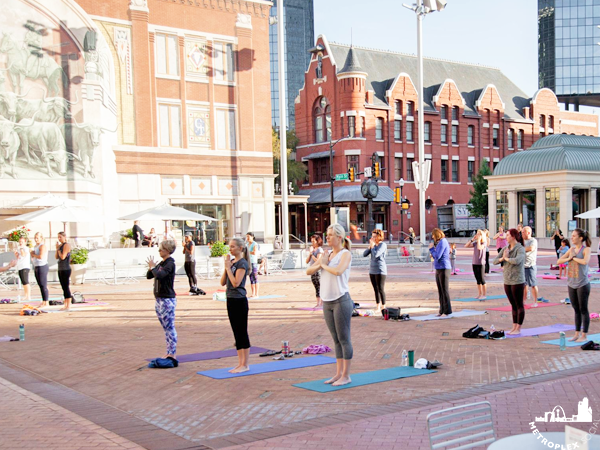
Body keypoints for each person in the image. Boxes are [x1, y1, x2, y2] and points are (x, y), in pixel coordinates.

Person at [306, 223, 353, 387]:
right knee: (336, 340)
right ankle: (338, 373)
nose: (327, 237)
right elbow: (308, 271)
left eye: (331, 235)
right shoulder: (326, 254)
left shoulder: (345, 254)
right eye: (327, 234)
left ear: (339, 237)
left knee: (344, 339)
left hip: (341, 300)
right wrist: (321, 262)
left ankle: (346, 375)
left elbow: (339, 271)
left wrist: (323, 264)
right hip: (327, 301)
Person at [220, 237, 251, 373]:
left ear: (240, 248)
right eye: (229, 246)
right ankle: (240, 363)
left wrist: (228, 267)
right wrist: (226, 266)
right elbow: (222, 282)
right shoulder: (232, 263)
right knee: (236, 332)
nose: (230, 249)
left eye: (233, 246)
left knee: (242, 331)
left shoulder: (242, 263)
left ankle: (245, 364)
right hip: (230, 299)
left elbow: (236, 283)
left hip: (239, 300)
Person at [146, 240, 178, 364]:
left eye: (161, 249)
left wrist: (154, 268)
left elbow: (160, 275)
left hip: (167, 299)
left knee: (169, 327)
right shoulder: (162, 263)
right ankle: (169, 351)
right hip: (159, 298)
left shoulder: (170, 263)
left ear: (168, 250)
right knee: (165, 327)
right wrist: (151, 267)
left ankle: (172, 353)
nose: (159, 251)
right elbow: (150, 275)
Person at [558, 228, 591, 342]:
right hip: (571, 283)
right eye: (571, 236)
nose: (572, 238)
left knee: (583, 309)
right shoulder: (571, 249)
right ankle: (576, 333)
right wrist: (568, 257)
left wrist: (573, 258)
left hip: (582, 284)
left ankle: (584, 334)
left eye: (574, 236)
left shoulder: (586, 249)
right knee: (576, 309)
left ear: (580, 238)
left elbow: (585, 261)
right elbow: (559, 261)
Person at [493, 228, 526, 335]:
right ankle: (514, 326)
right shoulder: (505, 248)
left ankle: (518, 328)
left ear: (513, 236)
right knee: (513, 305)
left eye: (507, 235)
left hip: (517, 280)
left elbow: (517, 261)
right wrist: (503, 258)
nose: (506, 237)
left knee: (519, 304)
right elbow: (494, 261)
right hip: (507, 280)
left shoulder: (520, 248)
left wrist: (506, 259)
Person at [429, 228, 452, 316]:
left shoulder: (443, 242)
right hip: (438, 268)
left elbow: (438, 256)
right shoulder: (440, 243)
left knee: (444, 290)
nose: (432, 237)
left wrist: (431, 249)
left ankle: (447, 310)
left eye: (433, 235)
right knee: (440, 290)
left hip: (444, 267)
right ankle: (441, 310)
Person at [363, 229, 387, 313]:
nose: (372, 238)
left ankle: (383, 306)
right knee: (375, 289)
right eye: (372, 236)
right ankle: (378, 306)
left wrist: (373, 247)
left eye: (374, 236)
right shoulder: (373, 245)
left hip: (380, 270)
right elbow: (364, 254)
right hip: (372, 269)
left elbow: (376, 254)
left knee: (380, 288)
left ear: (379, 237)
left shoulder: (382, 245)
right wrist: (370, 247)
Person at [465, 230, 487, 299]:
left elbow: (479, 247)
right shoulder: (475, 243)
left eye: (479, 234)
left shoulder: (484, 243)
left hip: (481, 263)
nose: (477, 235)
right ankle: (479, 294)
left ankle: (484, 295)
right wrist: (472, 240)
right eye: (477, 234)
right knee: (477, 279)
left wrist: (479, 240)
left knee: (482, 279)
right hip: (474, 262)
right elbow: (466, 246)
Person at [522, 226, 541, 305]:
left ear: (528, 233)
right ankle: (524, 301)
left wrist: (520, 249)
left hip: (530, 265)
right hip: (522, 266)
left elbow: (531, 248)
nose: (522, 233)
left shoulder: (533, 241)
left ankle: (535, 301)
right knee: (524, 285)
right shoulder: (521, 241)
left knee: (533, 284)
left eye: (523, 232)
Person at [30, 232, 49, 307]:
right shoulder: (36, 246)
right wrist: (33, 254)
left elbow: (41, 256)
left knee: (43, 284)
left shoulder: (42, 246)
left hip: (42, 266)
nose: (36, 239)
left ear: (41, 238)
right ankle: (43, 300)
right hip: (36, 265)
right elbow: (34, 256)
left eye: (37, 238)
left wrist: (33, 254)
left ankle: (46, 301)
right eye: (35, 238)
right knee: (40, 284)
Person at [306, 234, 324, 308]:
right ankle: (318, 303)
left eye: (314, 241)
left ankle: (321, 303)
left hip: (318, 270)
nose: (312, 243)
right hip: (312, 270)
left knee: (320, 286)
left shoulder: (319, 250)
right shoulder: (313, 250)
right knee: (316, 286)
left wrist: (312, 254)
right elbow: (307, 261)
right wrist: (310, 254)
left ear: (317, 241)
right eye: (311, 241)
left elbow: (318, 260)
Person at [55, 232, 72, 311]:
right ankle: (65, 304)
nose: (59, 239)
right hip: (60, 268)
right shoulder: (60, 246)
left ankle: (68, 304)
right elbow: (56, 257)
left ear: (64, 237)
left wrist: (59, 250)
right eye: (58, 237)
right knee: (63, 287)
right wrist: (57, 249)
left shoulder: (66, 245)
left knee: (66, 286)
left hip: (65, 268)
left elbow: (62, 256)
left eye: (60, 237)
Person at [15, 237, 31, 301]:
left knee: (26, 281)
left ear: (25, 242)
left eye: (22, 242)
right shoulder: (19, 249)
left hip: (25, 266)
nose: (20, 243)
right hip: (20, 266)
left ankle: (28, 295)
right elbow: (19, 257)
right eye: (20, 242)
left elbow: (23, 254)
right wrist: (16, 254)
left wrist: (21, 249)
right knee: (23, 282)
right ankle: (25, 295)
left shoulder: (26, 248)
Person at [246, 232, 260, 298]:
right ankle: (253, 293)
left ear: (252, 237)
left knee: (255, 277)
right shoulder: (247, 244)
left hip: (253, 262)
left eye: (248, 236)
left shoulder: (255, 244)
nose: (247, 238)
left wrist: (248, 252)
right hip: (248, 262)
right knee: (251, 278)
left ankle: (256, 293)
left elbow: (254, 252)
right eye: (247, 237)